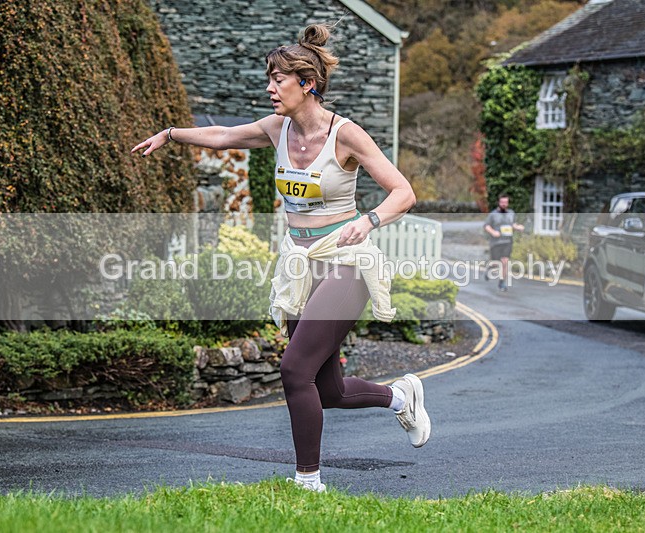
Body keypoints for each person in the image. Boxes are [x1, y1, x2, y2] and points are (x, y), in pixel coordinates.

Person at [131, 23, 430, 493]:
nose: (270, 89)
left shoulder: (346, 135)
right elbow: (223, 135)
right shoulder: (278, 129)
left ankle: (307, 481)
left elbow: (403, 192)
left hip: (345, 263)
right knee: (326, 389)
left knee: (293, 370)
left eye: (278, 80)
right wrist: (171, 134)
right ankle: (400, 396)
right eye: (269, 80)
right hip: (299, 264)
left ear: (307, 83)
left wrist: (369, 221)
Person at [484, 194, 524, 291]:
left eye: (506, 202)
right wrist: (493, 232)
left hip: (507, 241)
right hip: (496, 242)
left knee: (505, 262)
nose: (504, 204)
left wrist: (518, 227)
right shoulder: (493, 214)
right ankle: (490, 268)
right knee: (496, 263)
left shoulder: (511, 213)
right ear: (499, 202)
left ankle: (502, 282)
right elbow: (486, 226)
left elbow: (513, 224)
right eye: (502, 202)